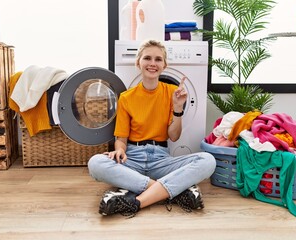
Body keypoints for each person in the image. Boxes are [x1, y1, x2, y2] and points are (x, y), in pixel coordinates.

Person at [88, 39, 216, 217]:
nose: (152, 63)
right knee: (95, 163)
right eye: (147, 58)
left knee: (208, 160)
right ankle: (172, 192)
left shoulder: (172, 92)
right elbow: (121, 139)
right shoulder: (126, 98)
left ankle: (137, 201)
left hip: (161, 160)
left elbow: (174, 136)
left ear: (164, 65)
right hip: (132, 158)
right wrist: (119, 151)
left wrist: (178, 109)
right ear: (138, 62)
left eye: (158, 59)